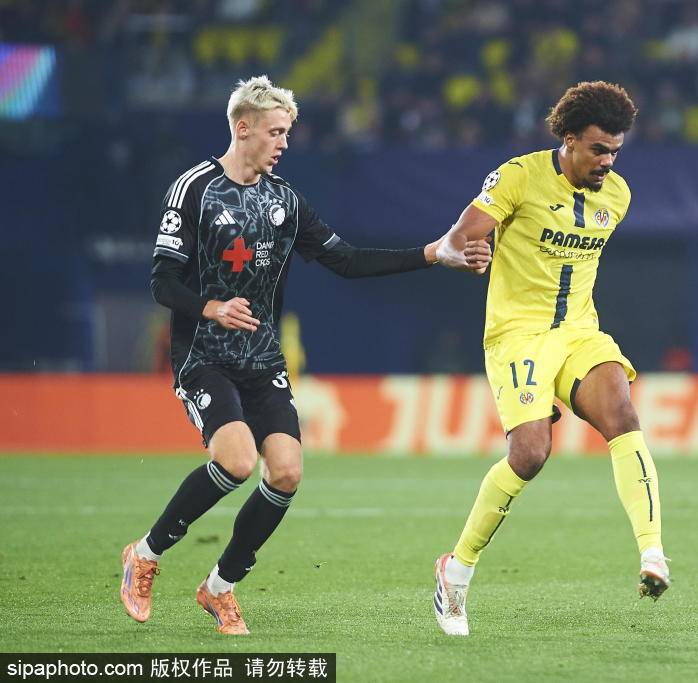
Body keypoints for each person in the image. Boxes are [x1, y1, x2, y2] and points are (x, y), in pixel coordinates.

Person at [119, 75, 490, 635]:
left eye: (287, 133)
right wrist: (212, 307)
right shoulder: (193, 189)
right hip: (205, 355)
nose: (284, 143)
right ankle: (145, 554)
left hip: (263, 359)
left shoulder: (285, 201)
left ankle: (219, 588)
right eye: (275, 132)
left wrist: (432, 253)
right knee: (237, 462)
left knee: (287, 473)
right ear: (243, 128)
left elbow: (347, 260)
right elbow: (162, 282)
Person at [430, 81, 669, 637]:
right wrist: (468, 251)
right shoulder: (519, 176)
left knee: (623, 414)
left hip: (579, 331)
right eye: (598, 149)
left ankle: (653, 554)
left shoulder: (618, 196)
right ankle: (456, 571)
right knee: (531, 453)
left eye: (615, 151)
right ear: (569, 139)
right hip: (517, 335)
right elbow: (462, 235)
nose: (607, 162)